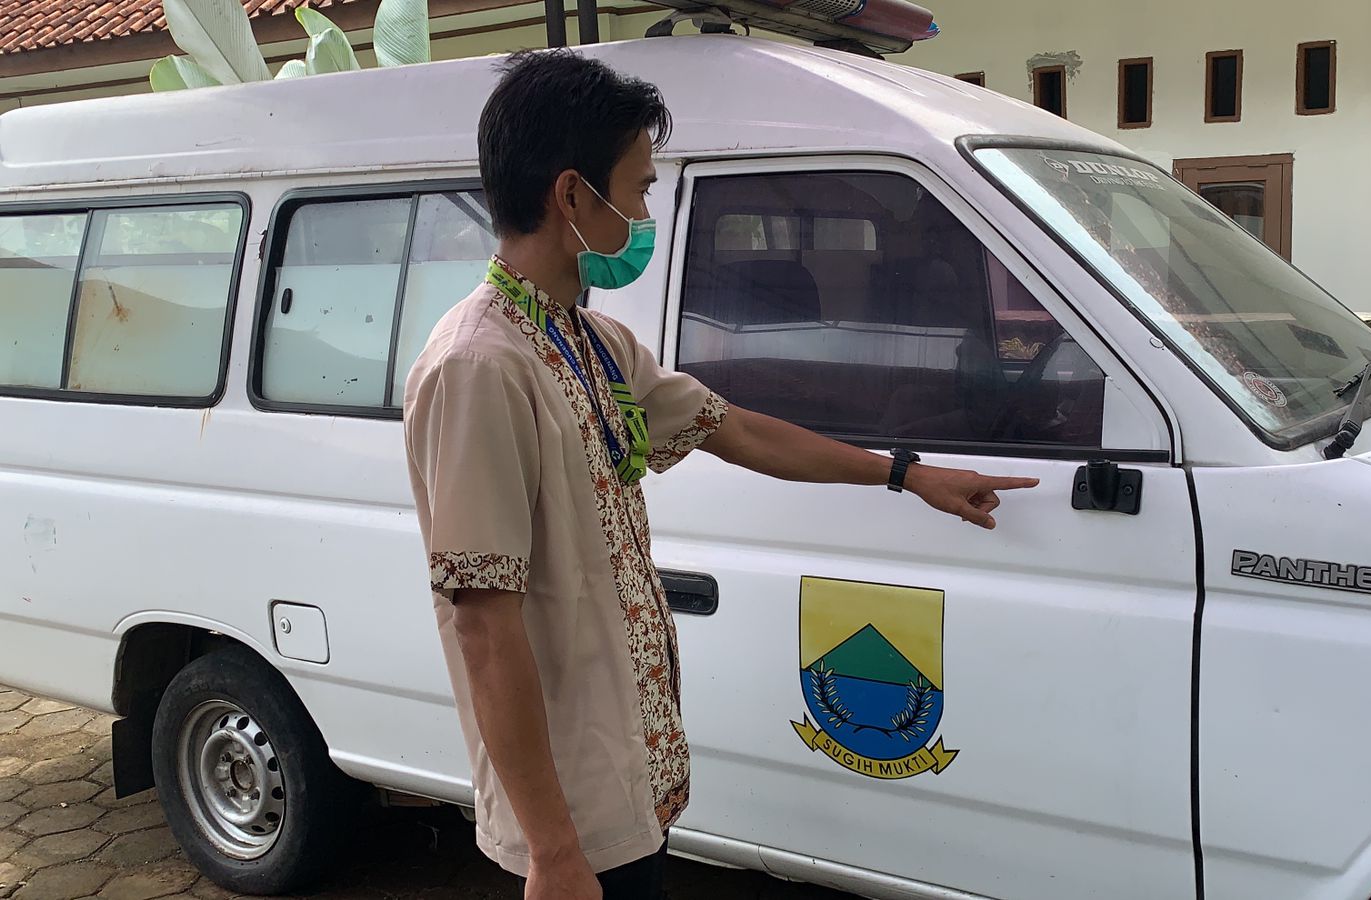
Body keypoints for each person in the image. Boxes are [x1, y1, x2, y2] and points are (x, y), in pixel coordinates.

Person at [402, 48, 1039, 900]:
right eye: (637, 188)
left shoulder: (591, 342)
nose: (641, 211)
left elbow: (735, 430)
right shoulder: (480, 367)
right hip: (571, 819)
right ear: (570, 196)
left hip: (628, 784)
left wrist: (904, 474)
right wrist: (553, 852)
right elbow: (483, 625)